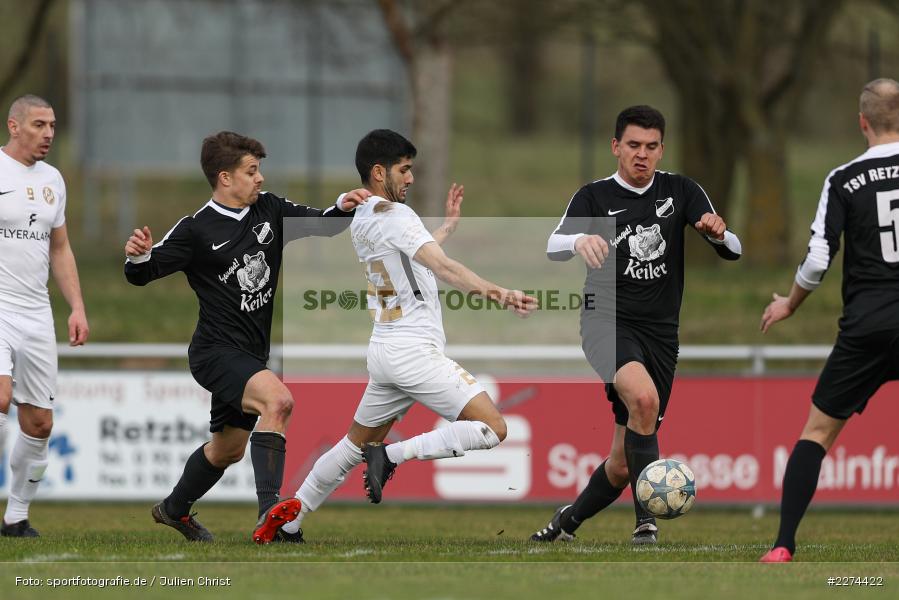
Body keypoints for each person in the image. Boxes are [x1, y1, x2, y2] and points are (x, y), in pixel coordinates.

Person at [259, 129, 536, 543]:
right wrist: (501, 293)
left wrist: (444, 230)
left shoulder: (365, 218)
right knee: (493, 429)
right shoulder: (397, 216)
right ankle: (390, 456)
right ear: (378, 171)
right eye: (404, 170)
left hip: (386, 349)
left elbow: (414, 258)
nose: (410, 179)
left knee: (352, 446)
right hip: (413, 352)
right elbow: (442, 268)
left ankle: (290, 520)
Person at [123, 131, 370, 544]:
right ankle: (270, 517)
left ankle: (173, 509)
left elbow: (322, 224)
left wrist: (343, 205)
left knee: (227, 451)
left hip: (251, 355)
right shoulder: (196, 229)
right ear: (225, 177)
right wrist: (136, 256)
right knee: (279, 400)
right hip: (215, 353)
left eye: (259, 170)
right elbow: (142, 274)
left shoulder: (270, 209)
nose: (259, 178)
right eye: (251, 171)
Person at [531, 105, 742, 545]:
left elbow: (733, 249)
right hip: (604, 322)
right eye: (632, 145)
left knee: (622, 463)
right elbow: (552, 244)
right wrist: (579, 238)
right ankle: (646, 520)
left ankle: (565, 522)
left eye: (650, 146)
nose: (641, 155)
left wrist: (718, 233)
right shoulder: (594, 196)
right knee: (643, 399)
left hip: (661, 335)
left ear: (661, 150)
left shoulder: (681, 190)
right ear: (615, 147)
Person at [758, 78, 899, 563]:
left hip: (867, 326)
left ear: (862, 123)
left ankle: (782, 545)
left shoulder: (843, 180)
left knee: (817, 434)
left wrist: (790, 304)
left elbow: (818, 260)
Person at [0, 95, 90, 537]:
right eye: (39, 124)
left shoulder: (54, 179)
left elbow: (59, 248)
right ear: (14, 126)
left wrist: (76, 307)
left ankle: (16, 518)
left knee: (39, 423)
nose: (49, 133)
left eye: (53, 125)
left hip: (36, 312)